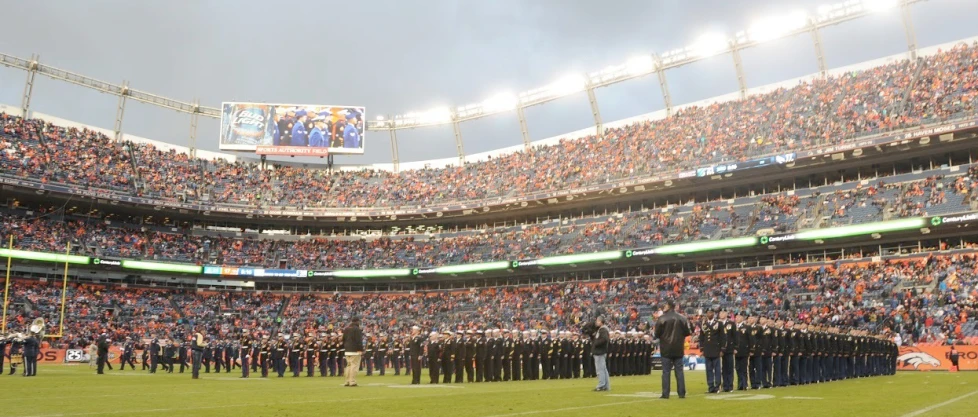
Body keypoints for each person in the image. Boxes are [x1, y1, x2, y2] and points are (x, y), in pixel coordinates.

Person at [654, 301, 690, 399]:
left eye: (665, 305)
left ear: (669, 306)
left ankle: (665, 393)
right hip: (678, 348)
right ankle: (681, 393)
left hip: (666, 348)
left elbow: (656, 334)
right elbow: (687, 332)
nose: (663, 307)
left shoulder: (662, 318)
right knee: (679, 371)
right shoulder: (682, 318)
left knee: (666, 372)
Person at [699, 309, 725, 394]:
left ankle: (717, 386)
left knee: (717, 369)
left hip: (716, 349)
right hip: (707, 350)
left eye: (711, 313)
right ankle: (710, 386)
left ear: (714, 314)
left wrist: (722, 349)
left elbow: (723, 337)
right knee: (708, 369)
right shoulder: (704, 324)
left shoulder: (719, 324)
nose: (709, 314)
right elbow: (702, 337)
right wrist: (702, 349)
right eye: (708, 313)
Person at [591, 316, 611, 392]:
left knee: (600, 370)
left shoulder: (602, 330)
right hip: (600, 351)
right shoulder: (601, 329)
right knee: (603, 369)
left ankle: (601, 385)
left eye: (598, 321)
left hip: (599, 352)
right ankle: (606, 385)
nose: (596, 322)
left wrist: (596, 343)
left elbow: (604, 339)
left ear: (601, 322)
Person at [343, 317, 364, 387]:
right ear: (357, 322)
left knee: (348, 365)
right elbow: (359, 341)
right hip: (355, 351)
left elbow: (343, 339)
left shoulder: (346, 329)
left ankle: (347, 381)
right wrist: (360, 350)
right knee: (354, 366)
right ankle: (352, 381)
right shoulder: (357, 329)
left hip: (347, 350)